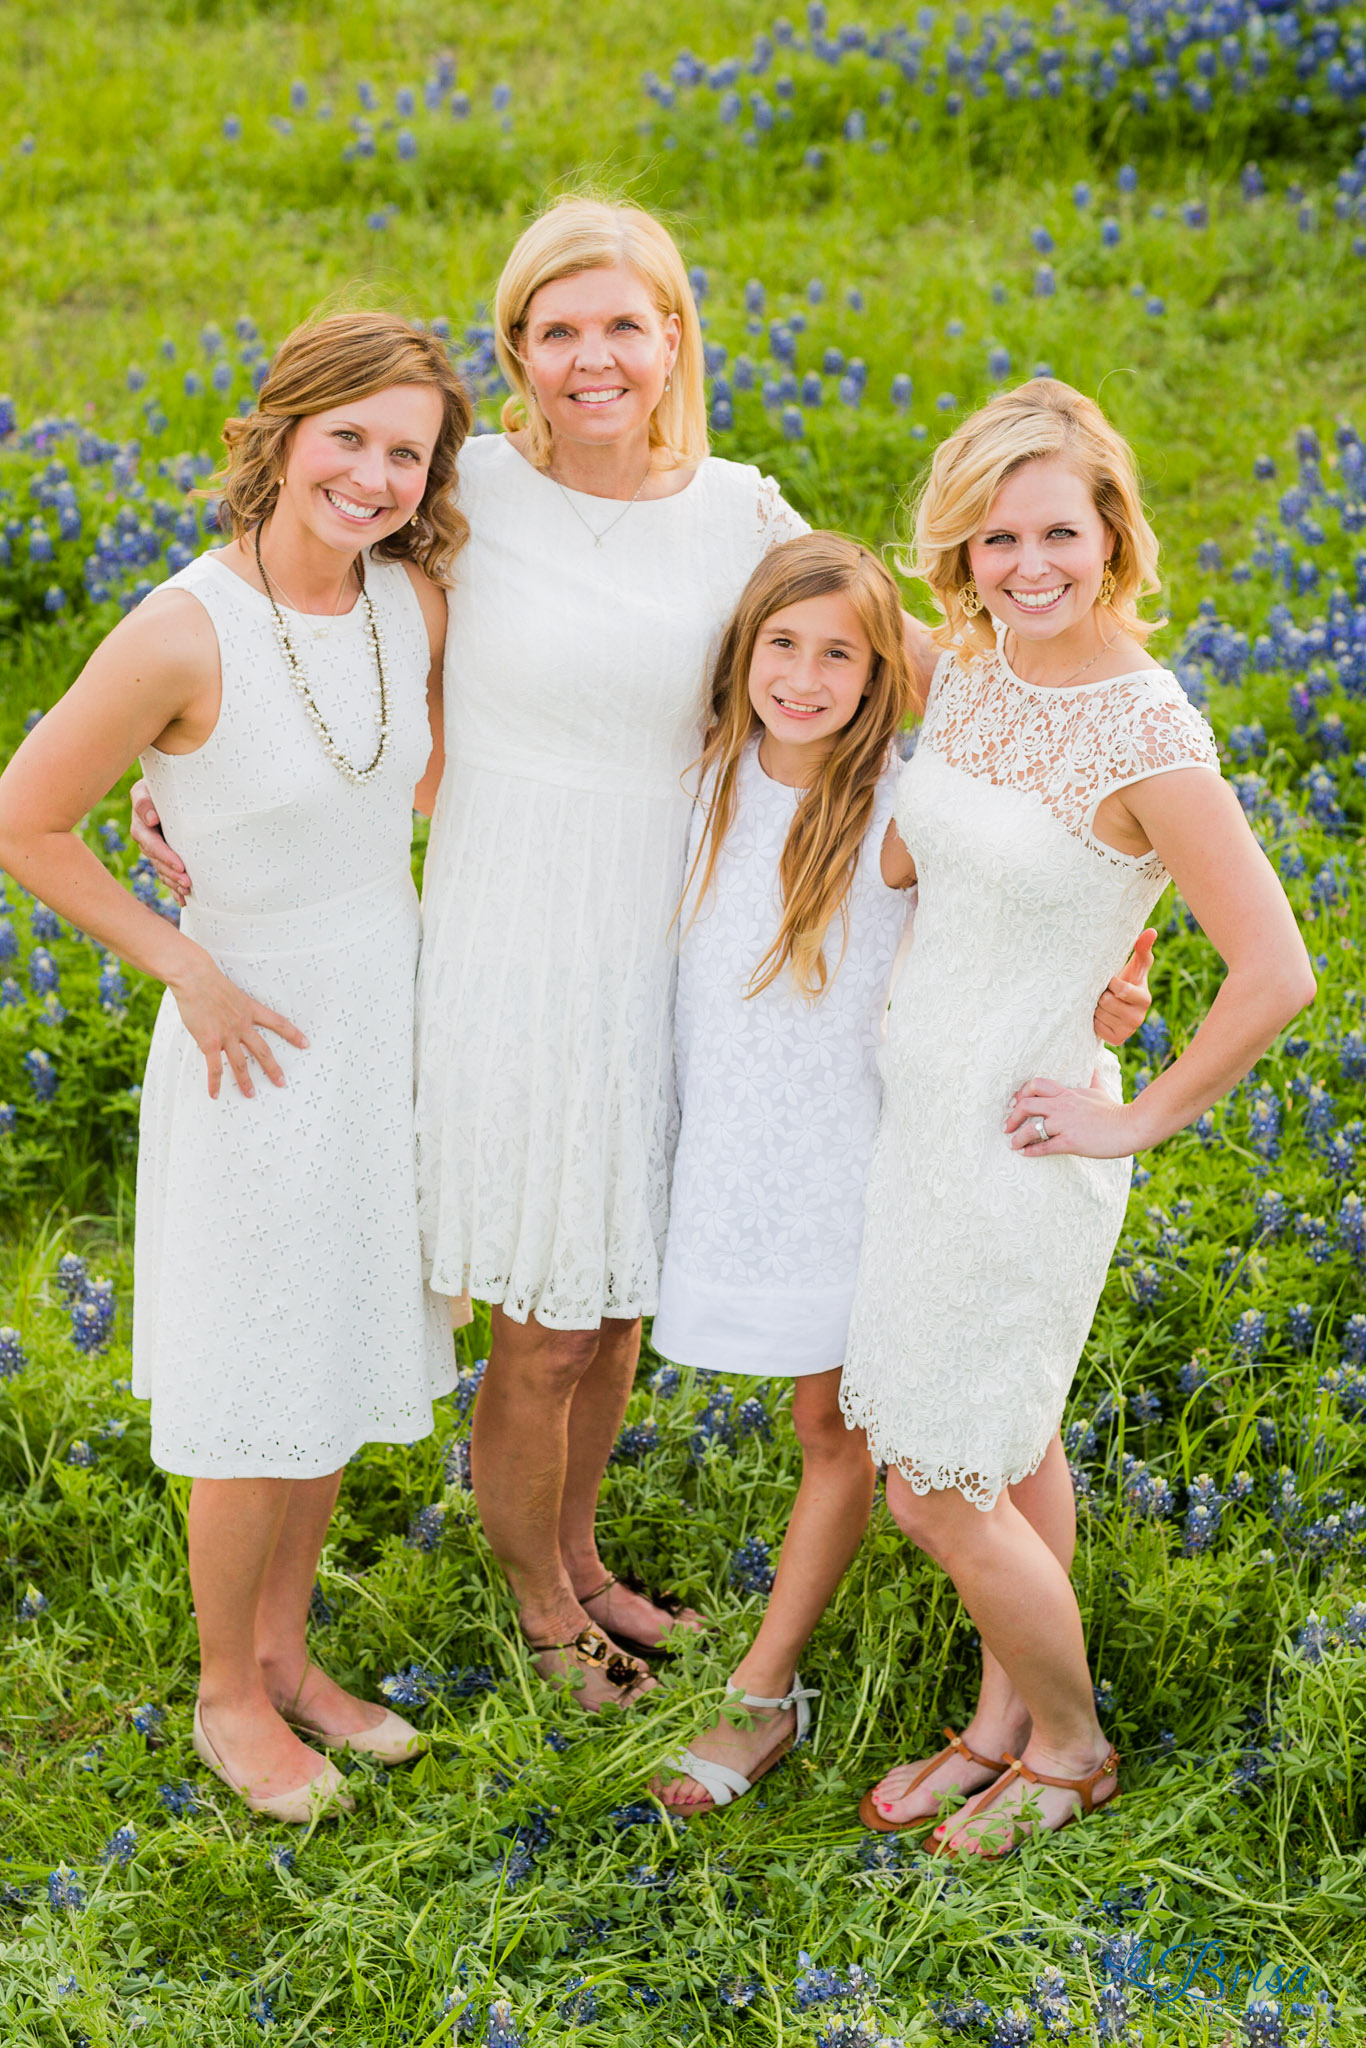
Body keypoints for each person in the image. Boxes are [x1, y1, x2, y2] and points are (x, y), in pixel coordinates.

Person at [0, 311, 472, 1821]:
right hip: (249, 1037)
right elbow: (24, 821)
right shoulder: (179, 629)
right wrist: (184, 959)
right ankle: (223, 1695)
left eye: (407, 451)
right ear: (276, 434)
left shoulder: (413, 600)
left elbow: (419, 782)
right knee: (259, 1370)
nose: (376, 473)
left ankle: (288, 1655)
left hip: (380, 1011)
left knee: (332, 1348)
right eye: (349, 436)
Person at [841, 379, 1315, 1856]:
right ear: (961, 557)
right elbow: (948, 857)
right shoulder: (976, 673)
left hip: (1021, 1145)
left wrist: (1135, 1117)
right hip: (920, 1122)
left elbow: (1275, 968)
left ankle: (1069, 1743)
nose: (1027, 564)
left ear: (1112, 534)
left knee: (929, 1487)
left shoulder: (1146, 732)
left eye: (1057, 531)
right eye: (994, 540)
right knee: (1007, 1445)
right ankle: (995, 1720)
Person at [646, 532, 1156, 1813]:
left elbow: (1068, 853)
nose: (806, 677)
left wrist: (1119, 970)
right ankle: (1014, 1721)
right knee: (962, 1431)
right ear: (741, 651)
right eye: (781, 646)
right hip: (751, 1157)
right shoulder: (698, 773)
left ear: (887, 672)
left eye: (842, 655)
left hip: (886, 1158)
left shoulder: (909, 798)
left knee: (894, 1434)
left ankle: (778, 1691)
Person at [410, 196, 826, 1709]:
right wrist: (170, 767)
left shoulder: (738, 510)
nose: (592, 358)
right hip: (519, 937)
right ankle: (533, 1604)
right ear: (515, 348)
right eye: (556, 329)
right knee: (542, 1317)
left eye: (620, 326)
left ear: (671, 340)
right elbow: (289, 611)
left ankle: (579, 1556)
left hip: (674, 931)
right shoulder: (458, 496)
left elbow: (865, 670)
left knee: (618, 1294)